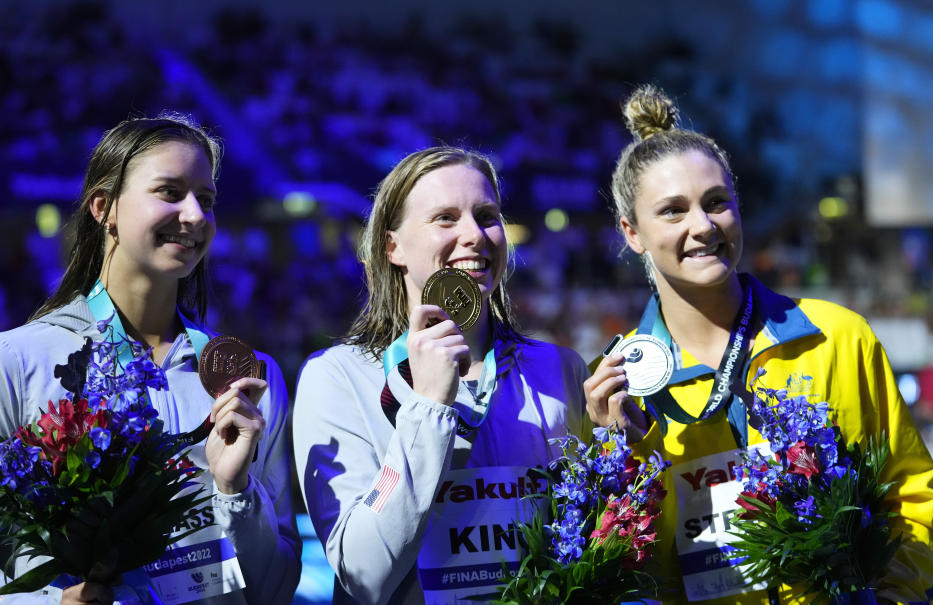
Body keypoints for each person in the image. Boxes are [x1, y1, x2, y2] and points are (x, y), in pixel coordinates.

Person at [584, 85, 933, 604]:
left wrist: (893, 597)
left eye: (716, 203)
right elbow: (629, 573)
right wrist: (625, 452)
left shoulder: (838, 338)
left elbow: (910, 499)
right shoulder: (614, 385)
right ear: (631, 232)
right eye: (672, 211)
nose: (703, 226)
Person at [0, 116, 302, 604]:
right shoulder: (16, 362)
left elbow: (274, 589)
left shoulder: (250, 379)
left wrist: (235, 490)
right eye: (169, 192)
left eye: (205, 200)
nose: (196, 216)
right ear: (105, 208)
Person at [293, 146, 590, 605]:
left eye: (487, 215)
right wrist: (427, 410)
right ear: (393, 247)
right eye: (445, 218)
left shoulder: (560, 370)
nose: (475, 234)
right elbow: (364, 573)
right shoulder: (337, 379)